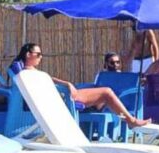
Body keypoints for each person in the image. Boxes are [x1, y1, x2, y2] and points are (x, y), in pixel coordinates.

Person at [13, 43, 149, 127]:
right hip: (63, 99)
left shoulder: (30, 72)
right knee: (107, 92)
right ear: (28, 54)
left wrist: (67, 83)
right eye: (38, 54)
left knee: (104, 95)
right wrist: (66, 87)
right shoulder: (26, 74)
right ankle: (130, 121)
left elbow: (49, 79)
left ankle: (121, 117)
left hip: (63, 95)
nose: (41, 57)